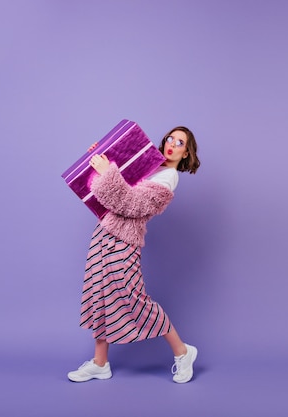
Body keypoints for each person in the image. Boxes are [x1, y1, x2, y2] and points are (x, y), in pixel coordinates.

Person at [67, 126, 201, 384]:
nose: (172, 144)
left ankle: (183, 352)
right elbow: (109, 188)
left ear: (186, 153)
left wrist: (107, 173)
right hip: (105, 231)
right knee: (100, 292)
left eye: (180, 142)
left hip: (124, 239)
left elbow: (130, 204)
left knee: (133, 298)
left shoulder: (168, 178)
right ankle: (99, 362)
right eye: (170, 138)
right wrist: (100, 159)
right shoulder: (150, 164)